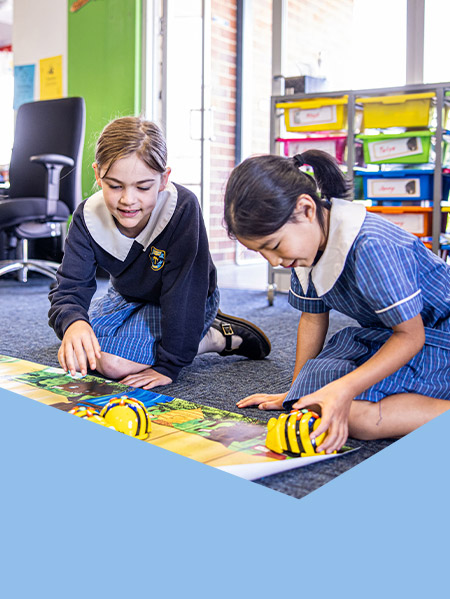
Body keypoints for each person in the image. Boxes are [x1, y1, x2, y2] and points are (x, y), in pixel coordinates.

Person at [224, 149, 450, 453]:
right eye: (261, 253)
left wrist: (345, 390)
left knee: (355, 417)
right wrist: (295, 389)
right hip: (390, 331)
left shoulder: (371, 246)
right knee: (311, 397)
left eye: (274, 246)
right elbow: (313, 317)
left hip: (436, 337)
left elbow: (411, 336)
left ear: (305, 210)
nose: (274, 261)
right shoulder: (306, 245)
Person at [48, 116, 270, 391]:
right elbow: (70, 286)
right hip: (128, 297)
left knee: (113, 364)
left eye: (143, 187)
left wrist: (170, 364)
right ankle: (184, 338)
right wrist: (73, 323)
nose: (128, 200)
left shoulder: (182, 209)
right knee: (86, 349)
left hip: (186, 302)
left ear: (164, 179)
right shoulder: (87, 215)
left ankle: (214, 336)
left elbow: (184, 294)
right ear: (97, 174)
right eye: (115, 185)